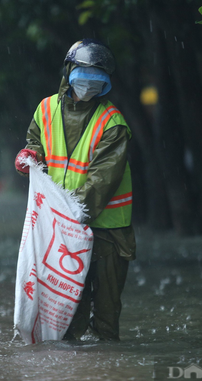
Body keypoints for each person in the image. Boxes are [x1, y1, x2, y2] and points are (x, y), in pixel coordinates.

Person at [14, 39, 135, 341]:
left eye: (98, 80)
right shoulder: (45, 109)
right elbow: (36, 142)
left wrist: (68, 215)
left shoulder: (112, 123)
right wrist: (30, 155)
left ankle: (107, 380)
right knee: (66, 317)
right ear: (68, 72)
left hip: (107, 232)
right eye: (84, 76)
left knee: (106, 320)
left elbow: (101, 180)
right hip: (60, 230)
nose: (89, 85)